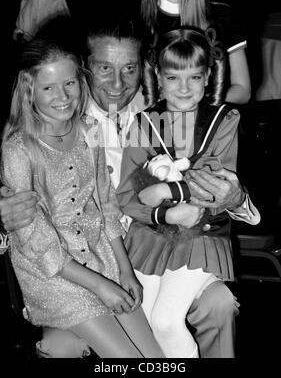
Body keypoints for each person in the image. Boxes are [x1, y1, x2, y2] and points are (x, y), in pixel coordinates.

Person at [0, 18, 254, 358]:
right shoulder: (46, 122)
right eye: (105, 67)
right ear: (86, 67)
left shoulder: (161, 109)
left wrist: (235, 198)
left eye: (129, 68)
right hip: (80, 264)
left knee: (217, 305)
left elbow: (218, 175)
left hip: (160, 251)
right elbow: (22, 208)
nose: (118, 83)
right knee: (76, 346)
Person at [0, 34, 165, 359]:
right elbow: (36, 240)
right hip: (55, 278)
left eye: (70, 84)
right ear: (30, 90)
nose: (63, 97)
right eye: (49, 88)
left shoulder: (89, 130)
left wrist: (124, 270)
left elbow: (105, 204)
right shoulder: (19, 150)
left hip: (101, 257)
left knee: (156, 360)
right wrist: (100, 285)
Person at [116, 27, 260, 357]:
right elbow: (126, 196)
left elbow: (216, 186)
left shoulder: (222, 120)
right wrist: (162, 212)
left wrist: (167, 189)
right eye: (173, 78)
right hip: (150, 238)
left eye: (194, 77)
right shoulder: (143, 123)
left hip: (201, 238)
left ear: (208, 76)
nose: (184, 88)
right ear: (159, 77)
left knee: (166, 321)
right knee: (147, 323)